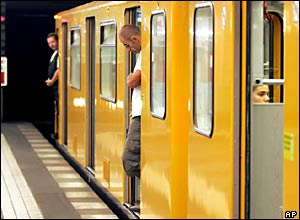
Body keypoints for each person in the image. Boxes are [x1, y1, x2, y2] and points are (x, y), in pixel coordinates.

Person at [119, 25, 142, 178]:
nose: (128, 50)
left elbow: (132, 81)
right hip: (138, 112)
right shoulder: (143, 53)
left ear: (134, 39)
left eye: (127, 45)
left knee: (130, 159)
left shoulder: (146, 52)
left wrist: (131, 78)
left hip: (140, 116)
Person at [45, 32, 59, 139]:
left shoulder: (59, 54)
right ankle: (55, 130)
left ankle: (57, 131)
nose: (51, 45)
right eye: (49, 43)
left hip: (57, 86)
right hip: (54, 87)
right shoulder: (54, 54)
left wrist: (52, 80)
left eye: (53, 42)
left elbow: (59, 70)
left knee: (57, 108)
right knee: (55, 108)